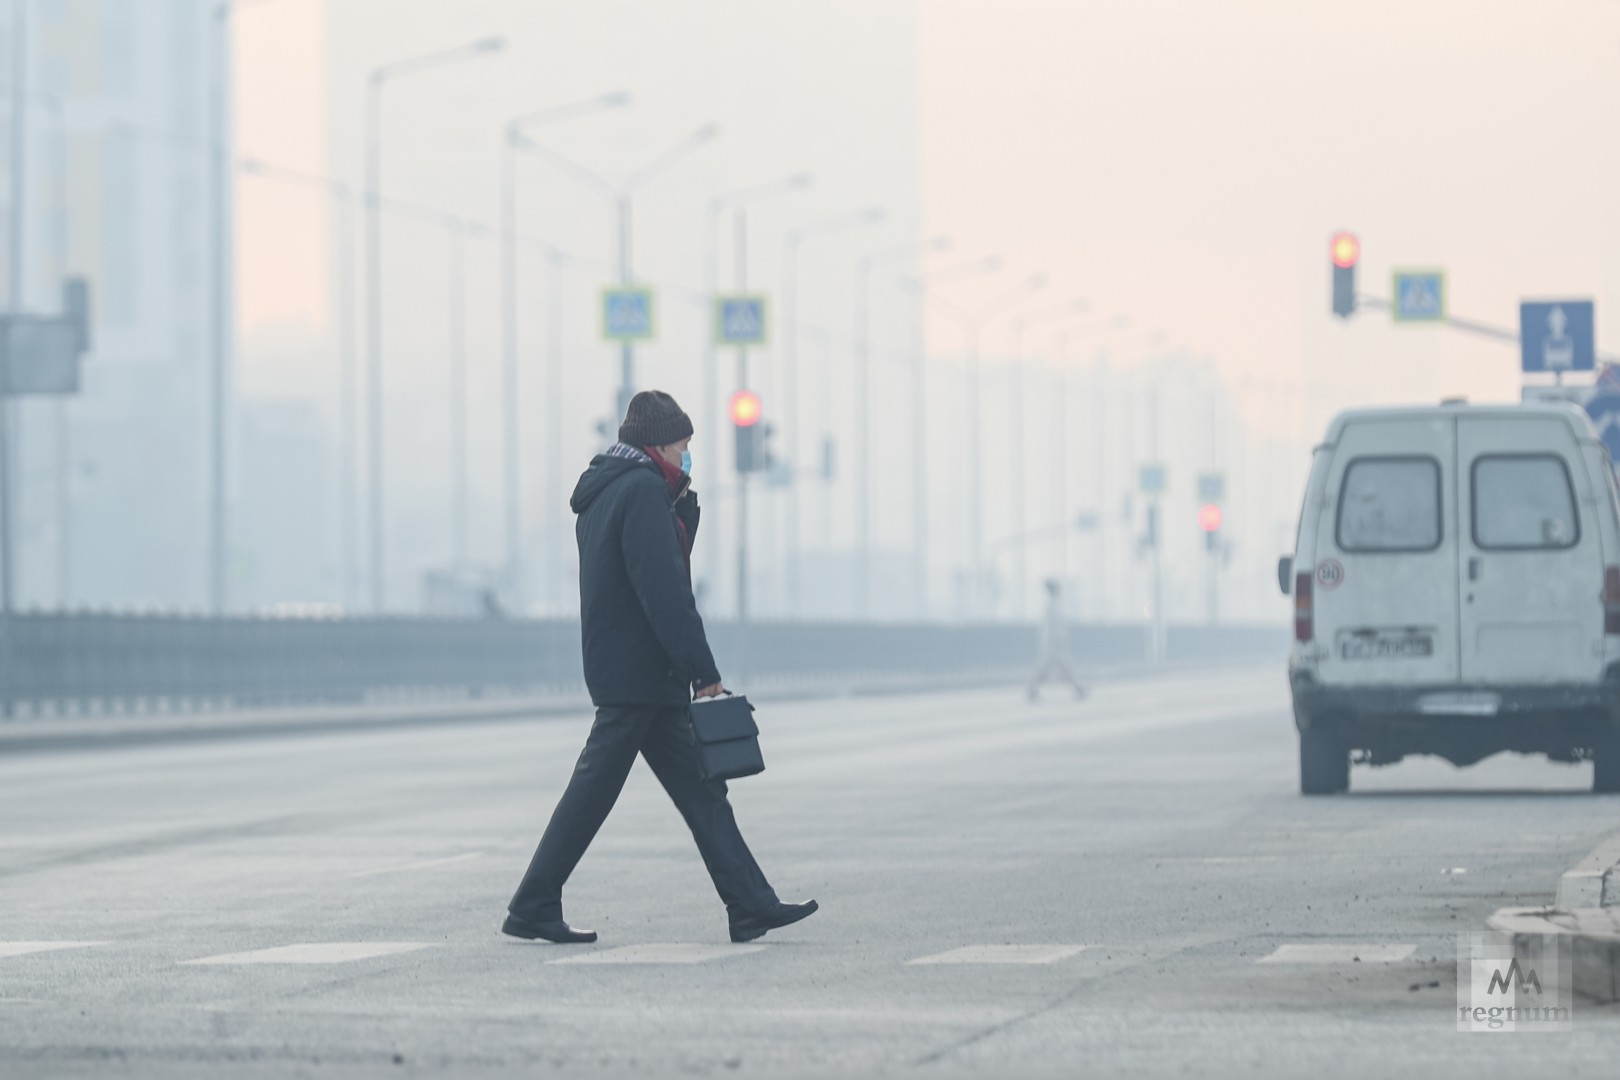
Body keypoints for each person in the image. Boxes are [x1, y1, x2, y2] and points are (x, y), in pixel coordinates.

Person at [504, 390, 817, 945]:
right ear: (657, 445)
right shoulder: (643, 491)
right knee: (594, 793)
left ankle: (750, 905)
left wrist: (683, 508)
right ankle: (532, 903)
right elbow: (665, 590)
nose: (687, 455)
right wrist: (703, 669)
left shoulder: (609, 491)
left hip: (630, 668)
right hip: (639, 674)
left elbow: (648, 571)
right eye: (683, 445)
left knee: (702, 791)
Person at [1027, 578, 1087, 702]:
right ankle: (1032, 689)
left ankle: (1078, 688)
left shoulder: (1053, 604)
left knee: (1062, 667)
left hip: (1054, 644)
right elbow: (1055, 627)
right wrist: (1061, 638)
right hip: (1053, 644)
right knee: (1049, 667)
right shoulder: (1053, 605)